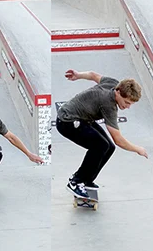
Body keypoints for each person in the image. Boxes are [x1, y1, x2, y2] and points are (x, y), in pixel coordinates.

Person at [56, 70, 148, 198]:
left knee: (109, 147)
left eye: (131, 104)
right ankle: (75, 182)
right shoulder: (109, 105)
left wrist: (78, 75)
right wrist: (138, 149)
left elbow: (93, 75)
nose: (127, 107)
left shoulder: (114, 83)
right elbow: (118, 139)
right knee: (99, 146)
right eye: (126, 102)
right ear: (118, 92)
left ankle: (87, 180)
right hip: (67, 122)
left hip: (82, 118)